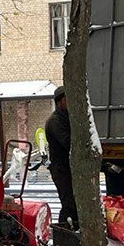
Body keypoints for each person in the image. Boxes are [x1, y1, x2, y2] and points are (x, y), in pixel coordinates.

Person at [45, 86, 78, 227]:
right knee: (69, 204)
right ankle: (64, 233)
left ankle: (72, 229)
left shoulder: (67, 118)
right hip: (61, 169)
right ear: (60, 102)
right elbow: (67, 142)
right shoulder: (55, 121)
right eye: (67, 99)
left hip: (69, 167)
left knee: (74, 203)